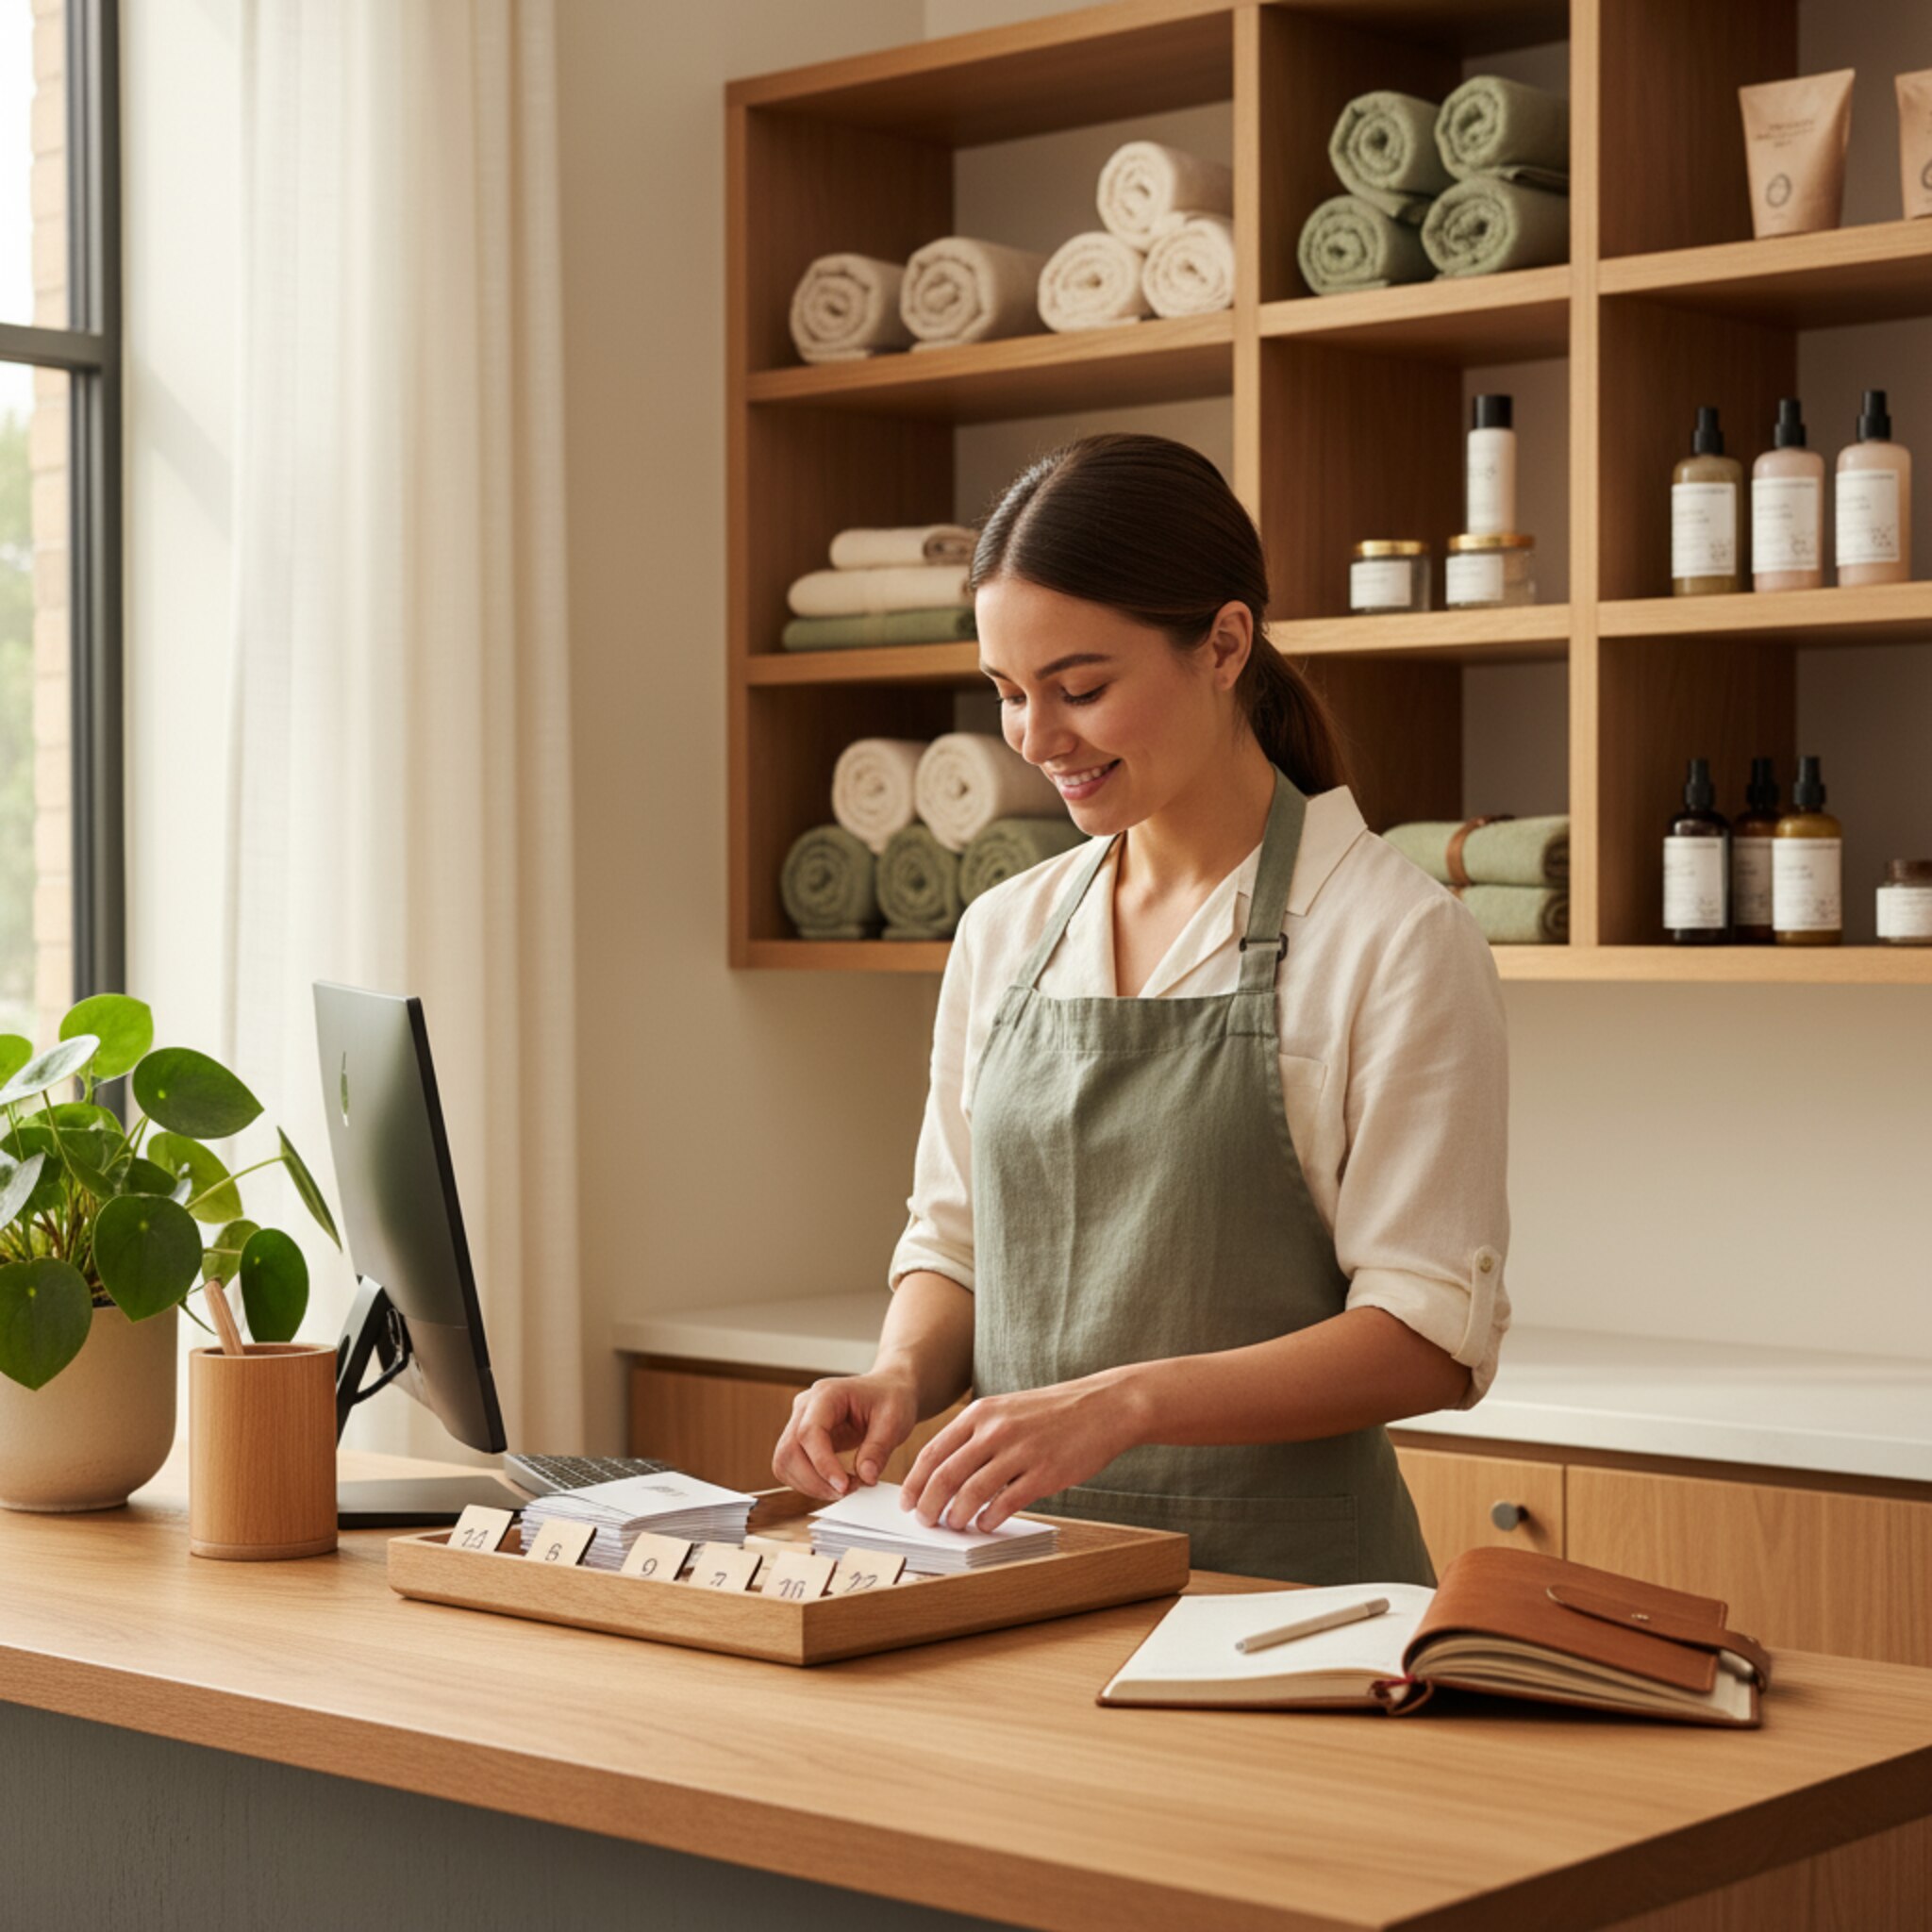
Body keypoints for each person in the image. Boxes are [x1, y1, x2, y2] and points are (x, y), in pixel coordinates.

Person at [771, 433, 1509, 1585]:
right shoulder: (1005, 931)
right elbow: (956, 1241)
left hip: (1289, 1605)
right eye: (1007, 693)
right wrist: (899, 1376)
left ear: (1223, 644)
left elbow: (1422, 1338)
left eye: (1078, 688)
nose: (1034, 739)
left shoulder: (1394, 937)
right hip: (1016, 1580)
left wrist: (1123, 1402)